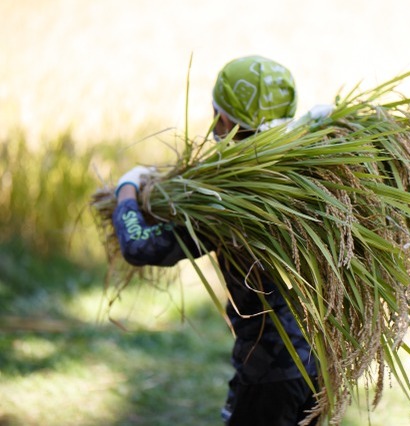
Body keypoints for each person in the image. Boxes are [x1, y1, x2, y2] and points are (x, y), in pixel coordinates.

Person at [112, 55, 330, 426]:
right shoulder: (307, 168)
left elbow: (140, 246)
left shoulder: (225, 200)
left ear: (223, 120)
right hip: (319, 362)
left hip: (270, 373)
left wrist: (126, 191)